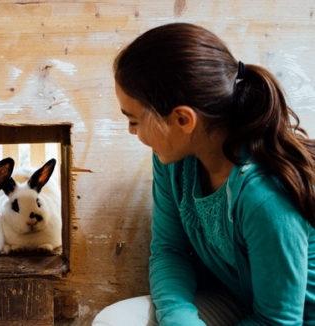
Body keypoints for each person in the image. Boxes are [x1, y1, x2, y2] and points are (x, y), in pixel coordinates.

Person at [93, 22, 315, 325]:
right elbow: (169, 250)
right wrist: (180, 320)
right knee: (114, 321)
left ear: (183, 119)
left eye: (134, 121)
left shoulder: (264, 197)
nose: (132, 132)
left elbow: (278, 321)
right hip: (238, 301)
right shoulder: (172, 159)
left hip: (291, 320)